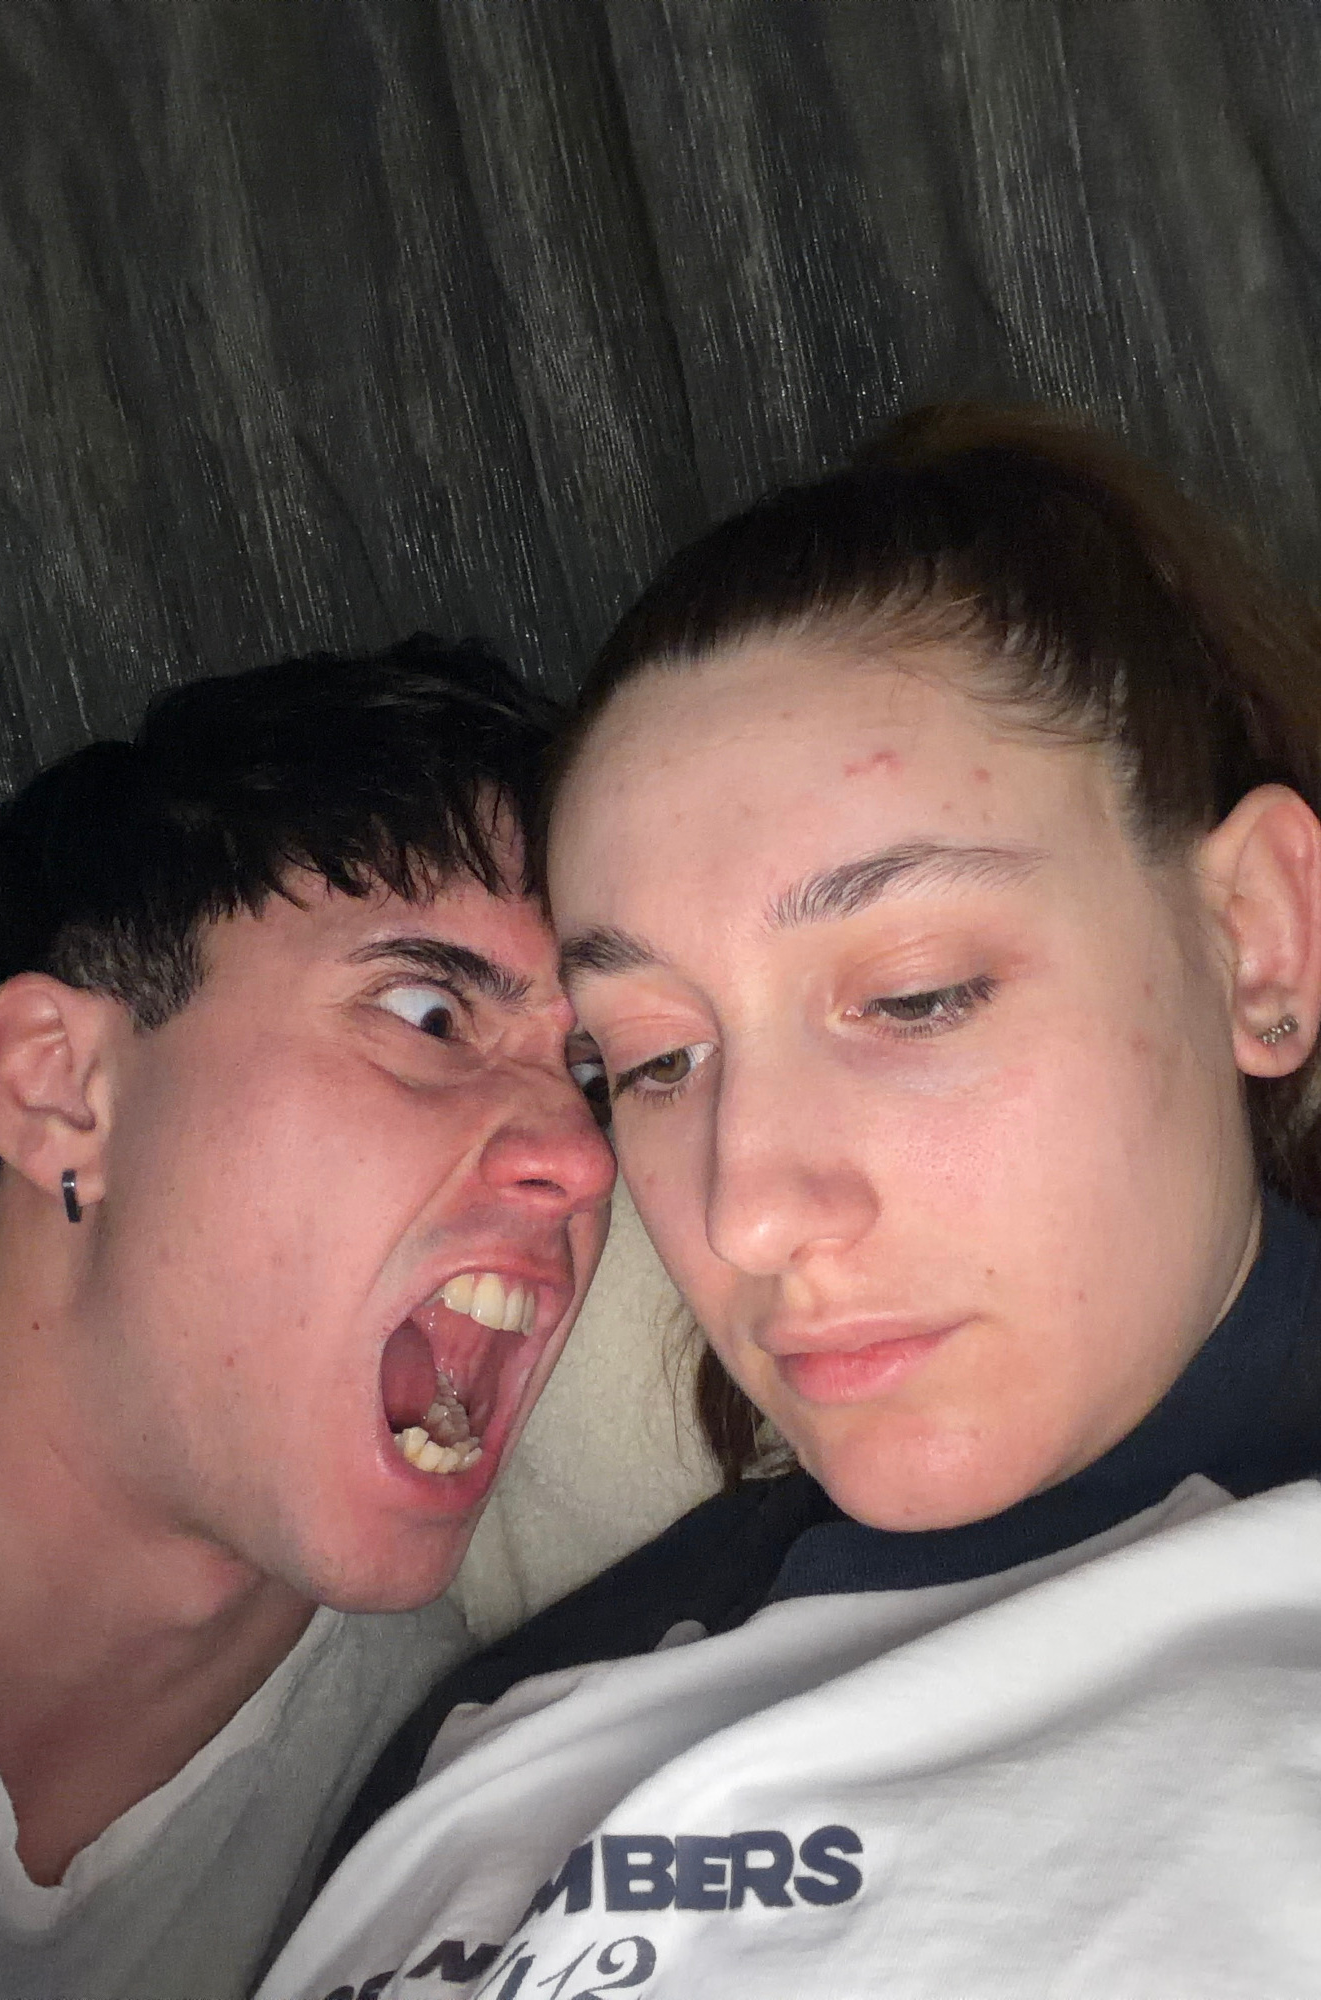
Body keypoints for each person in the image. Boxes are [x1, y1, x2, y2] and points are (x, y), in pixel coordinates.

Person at [262, 410, 1321, 1999]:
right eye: (649, 1061)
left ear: (1259, 940)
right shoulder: (505, 1721)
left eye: (915, 995)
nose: (744, 1210)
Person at [0, 636, 614, 2000]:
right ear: (59, 1089)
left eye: (595, 1074)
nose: (587, 1159)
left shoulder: (461, 1810)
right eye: (428, 1015)